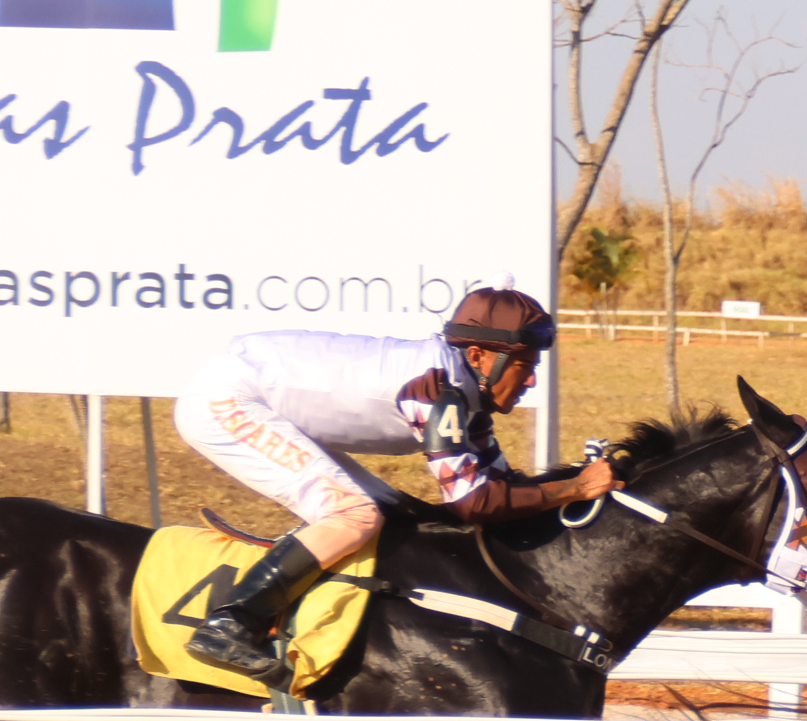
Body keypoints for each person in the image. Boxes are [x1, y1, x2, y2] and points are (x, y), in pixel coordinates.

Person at [169, 287, 617, 678]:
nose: (532, 379)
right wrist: (576, 488)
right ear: (479, 357)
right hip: (227, 402)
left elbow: (503, 486)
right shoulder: (436, 391)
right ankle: (230, 623)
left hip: (260, 393)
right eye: (523, 364)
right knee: (353, 515)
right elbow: (474, 503)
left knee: (395, 513)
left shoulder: (467, 392)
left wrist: (570, 491)